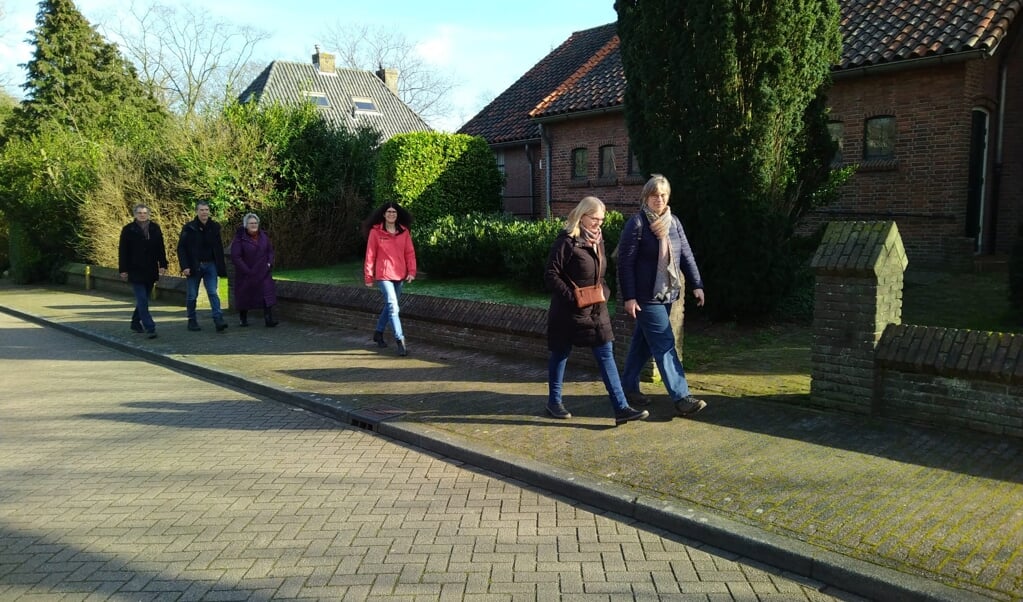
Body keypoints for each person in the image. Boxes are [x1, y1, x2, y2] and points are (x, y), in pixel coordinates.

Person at [544, 196, 649, 426]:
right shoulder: (567, 241)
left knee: (606, 354)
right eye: (595, 219)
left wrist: (604, 290)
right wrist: (572, 297)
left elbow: (599, 272)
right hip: (568, 312)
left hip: (596, 309)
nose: (598, 224)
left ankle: (621, 408)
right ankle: (554, 401)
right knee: (560, 354)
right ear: (582, 215)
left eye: (601, 220)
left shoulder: (598, 240)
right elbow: (551, 274)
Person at [617, 174, 707, 417]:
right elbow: (625, 264)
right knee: (665, 343)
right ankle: (681, 397)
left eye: (663, 195)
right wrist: (629, 297)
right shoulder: (636, 224)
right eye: (655, 195)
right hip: (646, 297)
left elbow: (685, 255)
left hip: (667, 293)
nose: (659, 199)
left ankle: (627, 387)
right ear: (646, 196)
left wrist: (697, 284)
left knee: (643, 343)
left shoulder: (674, 222)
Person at [363, 202, 417, 356]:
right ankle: (400, 340)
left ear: (397, 215)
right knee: (394, 307)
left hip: (399, 275)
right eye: (389, 212)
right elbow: (370, 255)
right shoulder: (376, 233)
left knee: (390, 306)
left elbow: (410, 253)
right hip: (383, 275)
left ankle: (378, 333)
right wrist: (368, 276)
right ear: (384, 214)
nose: (391, 214)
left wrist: (411, 271)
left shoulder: (404, 232)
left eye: (394, 212)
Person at [118, 204, 168, 339]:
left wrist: (163, 264)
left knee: (144, 299)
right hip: (135, 269)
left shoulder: (155, 228)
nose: (142, 215)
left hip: (150, 269)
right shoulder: (128, 230)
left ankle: (135, 322)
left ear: (148, 214)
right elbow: (123, 251)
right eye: (139, 213)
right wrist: (123, 269)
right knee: (142, 299)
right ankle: (150, 326)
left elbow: (160, 248)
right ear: (135, 214)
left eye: (145, 213)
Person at [177, 201, 228, 332]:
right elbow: (181, 248)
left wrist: (220, 266)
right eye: (201, 210)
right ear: (197, 212)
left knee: (212, 292)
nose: (204, 212)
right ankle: (192, 320)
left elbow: (218, 248)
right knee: (192, 295)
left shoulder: (215, 227)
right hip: (194, 265)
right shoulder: (189, 228)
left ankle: (218, 319)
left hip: (211, 265)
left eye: (206, 210)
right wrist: (185, 266)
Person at [230, 213, 279, 328]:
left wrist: (269, 263)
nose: (254, 225)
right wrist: (246, 270)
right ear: (246, 225)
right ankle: (243, 318)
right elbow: (236, 257)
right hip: (247, 273)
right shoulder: (240, 239)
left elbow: (270, 251)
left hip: (263, 271)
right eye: (251, 223)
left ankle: (268, 319)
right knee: (245, 296)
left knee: (267, 294)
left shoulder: (264, 236)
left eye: (255, 223)